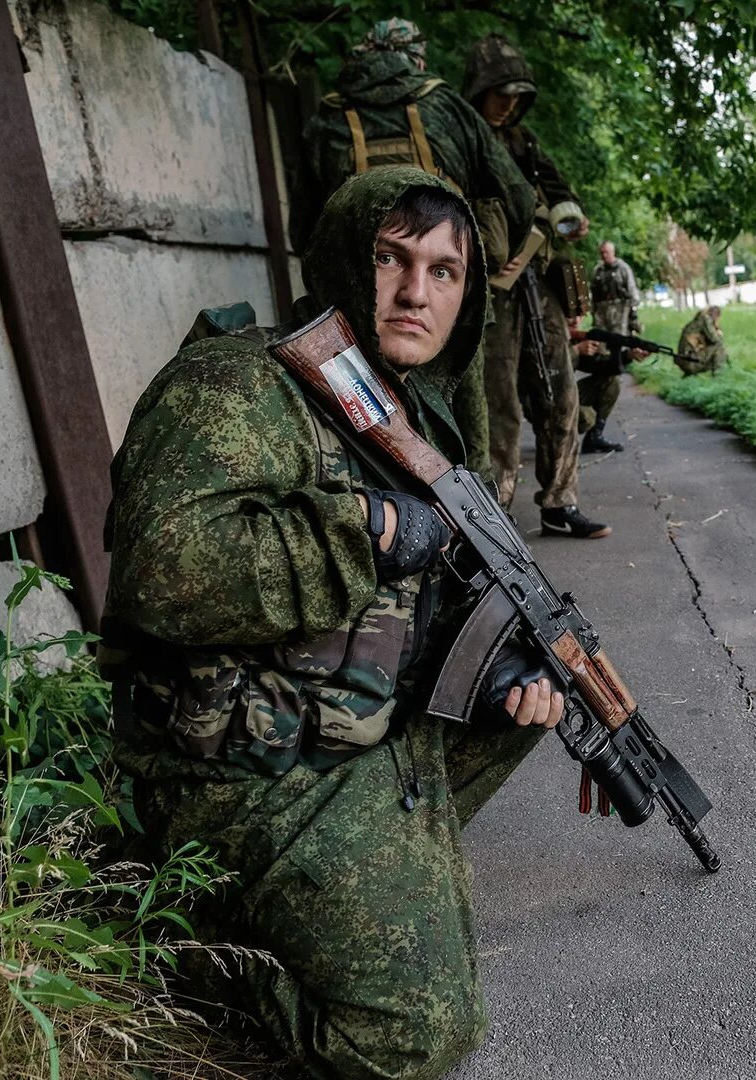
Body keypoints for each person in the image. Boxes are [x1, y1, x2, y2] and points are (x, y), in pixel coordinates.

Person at [106, 168, 564, 1079]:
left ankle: (378, 874)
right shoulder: (242, 383)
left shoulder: (410, 405)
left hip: (339, 729)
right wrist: (372, 529)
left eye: (444, 272)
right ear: (346, 260)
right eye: (392, 258)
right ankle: (199, 952)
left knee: (521, 701)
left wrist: (506, 668)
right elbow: (161, 572)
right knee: (418, 1037)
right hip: (241, 769)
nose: (414, 293)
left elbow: (421, 604)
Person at [297, 18, 536, 486]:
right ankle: (480, 510)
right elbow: (518, 195)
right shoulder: (446, 104)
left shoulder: (325, 117)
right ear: (418, 57)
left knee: (352, 418)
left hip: (347, 309)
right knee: (467, 412)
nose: (414, 291)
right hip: (452, 299)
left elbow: (304, 230)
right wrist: (471, 261)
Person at [464, 34, 609, 538]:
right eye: (500, 92)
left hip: (537, 282)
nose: (508, 103)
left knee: (560, 393)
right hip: (490, 290)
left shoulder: (524, 143)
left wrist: (571, 214)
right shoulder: (461, 136)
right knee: (498, 401)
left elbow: (561, 190)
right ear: (480, 90)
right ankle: (496, 511)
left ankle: (559, 501)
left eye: (516, 94)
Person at [580, 240, 642, 452]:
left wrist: (633, 321)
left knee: (613, 370)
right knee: (604, 367)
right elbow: (593, 299)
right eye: (602, 252)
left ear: (613, 252)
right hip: (603, 323)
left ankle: (596, 431)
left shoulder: (623, 269)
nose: (604, 255)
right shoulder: (597, 271)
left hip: (620, 322)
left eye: (607, 252)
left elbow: (633, 296)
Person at [675, 306, 728, 375]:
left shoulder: (697, 322)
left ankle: (689, 376)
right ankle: (718, 375)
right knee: (719, 345)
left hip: (685, 359)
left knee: (715, 348)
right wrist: (718, 330)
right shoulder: (705, 319)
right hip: (690, 361)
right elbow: (715, 339)